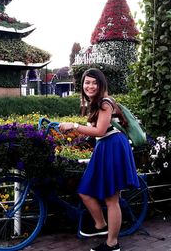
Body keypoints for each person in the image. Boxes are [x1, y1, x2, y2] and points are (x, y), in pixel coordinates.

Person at [59, 68, 139, 251]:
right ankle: (100, 225)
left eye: (94, 82)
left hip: (113, 147)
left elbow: (101, 131)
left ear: (101, 84)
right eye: (87, 82)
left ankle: (113, 244)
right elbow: (97, 133)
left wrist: (74, 125)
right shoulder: (95, 103)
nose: (90, 86)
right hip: (105, 146)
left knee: (112, 199)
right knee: (85, 190)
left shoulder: (104, 103)